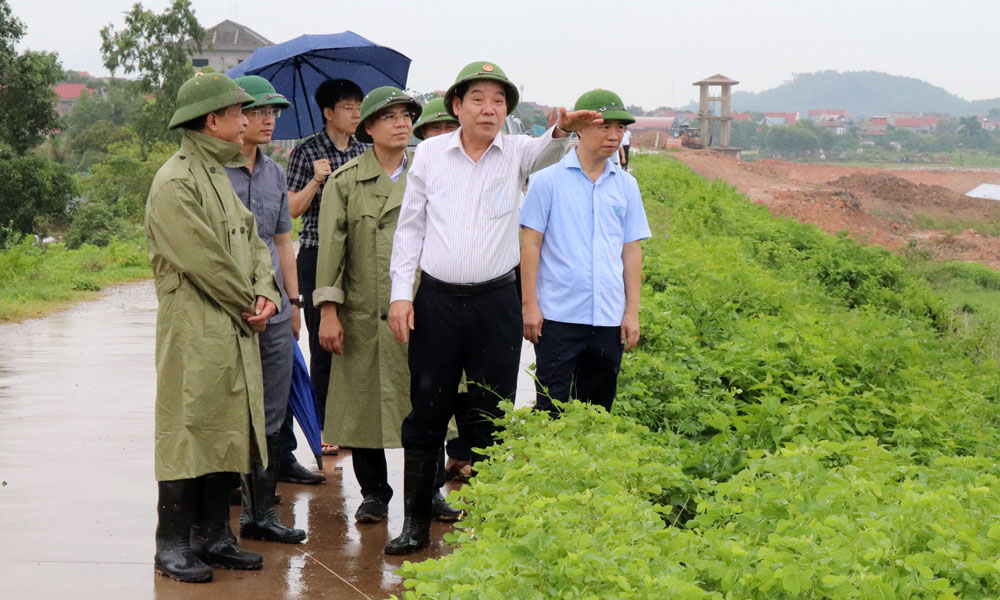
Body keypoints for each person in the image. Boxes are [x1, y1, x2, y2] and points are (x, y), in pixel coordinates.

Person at [385, 61, 601, 555]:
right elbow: (411, 229)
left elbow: (548, 148)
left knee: (491, 410)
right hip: (437, 302)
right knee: (427, 408)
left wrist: (563, 128)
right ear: (456, 106)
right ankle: (415, 523)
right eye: (478, 99)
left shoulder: (518, 153)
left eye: (498, 100)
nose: (489, 109)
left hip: (495, 304)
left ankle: (490, 529)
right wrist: (401, 293)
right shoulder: (431, 156)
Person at [146, 72, 280, 583]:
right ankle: (173, 544)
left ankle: (215, 536)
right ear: (213, 120)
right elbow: (204, 260)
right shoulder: (175, 181)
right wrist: (252, 300)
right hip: (194, 324)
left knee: (227, 426)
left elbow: (251, 240)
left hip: (234, 320)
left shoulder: (219, 175)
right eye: (238, 113)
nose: (247, 120)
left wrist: (266, 292)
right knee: (188, 426)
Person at [520, 89, 650, 415]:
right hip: (558, 317)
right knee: (551, 409)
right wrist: (530, 306)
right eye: (604, 126)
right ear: (579, 128)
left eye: (620, 128)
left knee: (597, 411)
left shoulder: (625, 186)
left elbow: (631, 251)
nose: (614, 135)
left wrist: (631, 312)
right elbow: (530, 244)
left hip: (607, 318)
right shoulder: (547, 181)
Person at [225, 75, 306, 544]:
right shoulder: (215, 174)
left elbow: (282, 242)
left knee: (273, 411)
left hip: (274, 310)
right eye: (257, 111)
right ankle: (221, 514)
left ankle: (262, 514)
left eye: (273, 111)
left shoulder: (275, 173)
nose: (268, 119)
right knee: (232, 409)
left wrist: (293, 303)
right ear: (236, 117)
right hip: (231, 310)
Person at [282, 78, 367, 482]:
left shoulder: (364, 151)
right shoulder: (306, 153)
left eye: (358, 107)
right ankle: (321, 428)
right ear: (329, 112)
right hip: (316, 253)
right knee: (322, 341)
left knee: (357, 340)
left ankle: (354, 421)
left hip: (359, 257)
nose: (356, 114)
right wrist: (316, 181)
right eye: (348, 108)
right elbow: (290, 213)